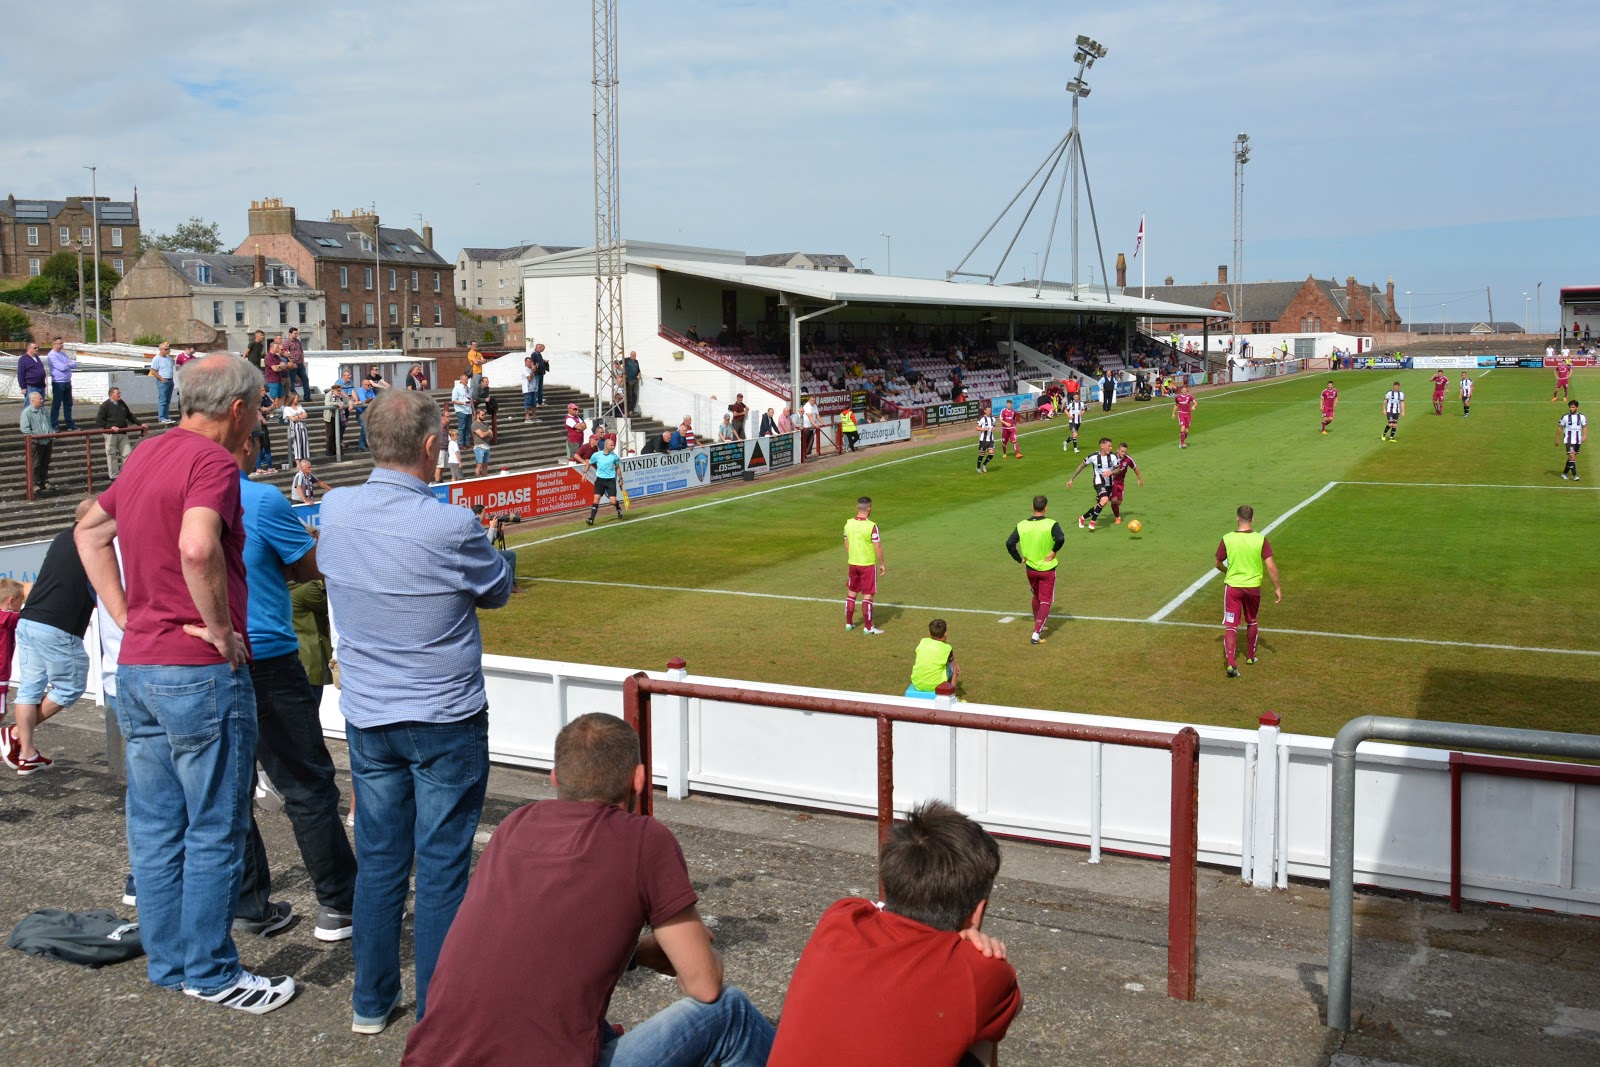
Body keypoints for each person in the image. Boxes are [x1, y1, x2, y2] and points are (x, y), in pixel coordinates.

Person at [77, 353, 298, 1014]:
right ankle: (210, 971)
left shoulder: (147, 452)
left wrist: (126, 615)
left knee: (154, 825)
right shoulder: (213, 462)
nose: (257, 421)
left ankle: (171, 962)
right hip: (197, 671)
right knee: (214, 827)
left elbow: (89, 530)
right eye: (258, 409)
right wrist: (222, 630)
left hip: (140, 668)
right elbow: (198, 547)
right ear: (238, 409)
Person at [404, 713, 775, 1067]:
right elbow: (704, 985)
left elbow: (535, 940)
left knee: (572, 1018)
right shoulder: (645, 840)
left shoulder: (514, 825)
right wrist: (704, 954)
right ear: (639, 779)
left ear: (555, 778)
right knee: (731, 1012)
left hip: (428, 1058)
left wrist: (634, 954)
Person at [317, 387, 514, 1033]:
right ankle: (438, 1014)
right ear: (431, 446)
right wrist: (492, 545)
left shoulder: (336, 508)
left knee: (379, 862)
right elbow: (498, 588)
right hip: (443, 719)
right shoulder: (449, 523)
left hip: (370, 716)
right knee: (441, 868)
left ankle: (371, 1002)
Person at [768, 800, 1020, 1067]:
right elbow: (1017, 1001)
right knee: (985, 1031)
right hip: (973, 957)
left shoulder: (841, 916)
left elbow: (878, 909)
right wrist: (982, 954)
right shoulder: (980, 970)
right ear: (977, 913)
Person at [233, 433, 358, 943]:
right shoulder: (260, 498)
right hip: (264, 656)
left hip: (202, 658)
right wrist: (297, 547)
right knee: (306, 786)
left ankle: (250, 905)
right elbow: (312, 566)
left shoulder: (173, 492)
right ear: (245, 442)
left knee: (231, 790)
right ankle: (341, 904)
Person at [1, 501, 96, 775]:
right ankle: (15, 733)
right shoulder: (92, 540)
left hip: (29, 620)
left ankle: (27, 754)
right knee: (71, 686)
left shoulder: (62, 538)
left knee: (30, 688)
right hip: (57, 625)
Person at [1216, 504, 1283, 678]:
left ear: (1237, 518)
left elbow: (1218, 563)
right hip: (1253, 588)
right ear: (1252, 519)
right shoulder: (1260, 539)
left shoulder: (1227, 538)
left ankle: (1231, 662)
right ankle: (1251, 657)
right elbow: (1270, 566)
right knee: (1251, 620)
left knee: (1231, 625)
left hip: (1233, 587)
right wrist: (1277, 588)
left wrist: (1227, 572)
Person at [1006, 494, 1063, 646]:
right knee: (1045, 600)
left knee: (1036, 596)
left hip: (1030, 569)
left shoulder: (1022, 525)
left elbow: (1009, 543)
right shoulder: (1051, 524)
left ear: (1032, 507)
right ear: (1046, 508)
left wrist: (1018, 558)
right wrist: (1053, 551)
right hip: (1047, 569)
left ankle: (1040, 624)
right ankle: (1036, 634)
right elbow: (1061, 538)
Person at [843, 496, 885, 635]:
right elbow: (878, 547)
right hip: (867, 565)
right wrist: (882, 564)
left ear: (857, 507)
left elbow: (846, 543)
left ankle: (849, 624)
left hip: (853, 563)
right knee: (868, 595)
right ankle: (868, 627)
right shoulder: (872, 526)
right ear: (869, 509)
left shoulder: (848, 524)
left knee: (851, 593)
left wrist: (852, 556)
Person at [1065, 437, 1118, 532]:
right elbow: (1081, 466)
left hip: (1109, 483)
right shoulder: (1093, 456)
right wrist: (1071, 479)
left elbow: (1119, 469)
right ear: (1102, 446)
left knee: (1100, 504)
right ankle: (1092, 522)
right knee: (1104, 500)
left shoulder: (1113, 457)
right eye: (1109, 446)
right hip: (1098, 481)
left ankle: (1082, 518)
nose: (1111, 448)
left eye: (1111, 446)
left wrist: (1111, 472)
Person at [0, 577, 29, 741]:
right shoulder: (6, 618)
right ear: (11, 601)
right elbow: (28, 615)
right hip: (0, 674)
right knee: (1, 711)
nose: (21, 606)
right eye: (20, 602)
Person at [96, 386, 140, 480]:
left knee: (127, 453)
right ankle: (114, 475)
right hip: (111, 434)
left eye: (119, 393)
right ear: (111, 394)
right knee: (112, 455)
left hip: (122, 432)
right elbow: (99, 420)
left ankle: (125, 473)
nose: (119, 395)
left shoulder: (122, 403)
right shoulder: (105, 405)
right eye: (117, 393)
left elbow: (129, 415)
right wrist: (110, 427)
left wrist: (140, 423)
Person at [910, 618, 961, 693]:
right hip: (937, 686)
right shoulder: (947, 648)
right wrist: (956, 666)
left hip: (917, 683)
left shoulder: (923, 641)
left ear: (929, 633)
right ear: (945, 634)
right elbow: (953, 664)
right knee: (954, 667)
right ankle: (952, 694)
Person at [584, 436, 626, 527]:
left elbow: (617, 468)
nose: (613, 447)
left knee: (613, 501)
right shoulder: (597, 455)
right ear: (606, 446)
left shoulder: (614, 456)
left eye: (613, 445)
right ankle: (591, 519)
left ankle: (618, 509)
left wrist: (621, 479)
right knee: (596, 499)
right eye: (611, 445)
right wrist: (585, 473)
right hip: (600, 480)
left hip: (610, 480)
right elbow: (589, 463)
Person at [20, 390, 55, 494]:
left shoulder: (43, 411)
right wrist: (35, 438)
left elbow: (48, 424)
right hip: (36, 442)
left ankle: (44, 481)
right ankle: (35, 483)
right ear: (32, 400)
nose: (42, 400)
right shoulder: (27, 412)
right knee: (35, 464)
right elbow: (25, 429)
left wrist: (51, 434)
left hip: (47, 440)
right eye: (40, 399)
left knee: (45, 462)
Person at [1108, 442, 1144, 525]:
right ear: (1118, 450)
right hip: (1111, 481)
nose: (1123, 453)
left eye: (1125, 451)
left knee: (1119, 502)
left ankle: (1110, 500)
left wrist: (1139, 479)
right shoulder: (1111, 457)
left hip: (1121, 483)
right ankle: (1118, 517)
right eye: (1122, 451)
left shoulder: (1128, 459)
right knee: (1114, 500)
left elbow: (1135, 468)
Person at [47, 337, 78, 430]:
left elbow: (75, 364)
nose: (62, 345)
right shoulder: (52, 355)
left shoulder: (63, 354)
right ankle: (54, 425)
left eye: (62, 343)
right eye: (59, 343)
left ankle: (70, 424)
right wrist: (68, 364)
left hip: (67, 381)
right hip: (58, 382)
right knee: (56, 404)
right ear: (54, 344)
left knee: (68, 404)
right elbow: (62, 367)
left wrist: (68, 364)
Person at [280, 391, 311, 463]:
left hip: (302, 427)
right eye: (296, 398)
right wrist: (300, 416)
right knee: (296, 444)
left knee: (304, 443)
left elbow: (305, 415)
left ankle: (304, 461)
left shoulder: (299, 406)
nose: (298, 399)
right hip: (294, 428)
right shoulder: (287, 408)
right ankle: (298, 462)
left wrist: (297, 416)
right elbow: (293, 419)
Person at [1559, 400, 1587, 480]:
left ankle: (1564, 474)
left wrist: (1585, 435)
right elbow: (1560, 427)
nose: (1571, 409)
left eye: (1573, 407)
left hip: (1577, 440)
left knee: (1571, 458)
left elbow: (1584, 426)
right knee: (1572, 457)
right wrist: (1557, 439)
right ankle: (1575, 476)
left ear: (1577, 407)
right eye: (1570, 407)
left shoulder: (1582, 417)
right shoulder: (1565, 417)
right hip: (1568, 440)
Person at [150, 342, 177, 423]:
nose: (168, 350)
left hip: (170, 380)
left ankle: (166, 416)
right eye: (166, 349)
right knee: (163, 400)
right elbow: (153, 370)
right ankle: (161, 417)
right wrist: (161, 379)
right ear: (161, 349)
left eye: (169, 349)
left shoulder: (169, 359)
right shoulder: (156, 359)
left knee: (167, 400)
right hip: (163, 381)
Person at [324, 382, 352, 455]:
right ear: (333, 390)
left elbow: (348, 400)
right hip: (330, 418)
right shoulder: (329, 395)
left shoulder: (341, 395)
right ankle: (329, 451)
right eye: (338, 391)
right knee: (330, 435)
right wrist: (336, 404)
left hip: (338, 417)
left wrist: (350, 404)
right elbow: (327, 403)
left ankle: (337, 450)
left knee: (337, 435)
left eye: (340, 390)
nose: (339, 392)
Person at [283, 327, 310, 401]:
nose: (296, 335)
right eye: (295, 333)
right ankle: (293, 398)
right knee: (292, 382)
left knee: (305, 379)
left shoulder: (298, 341)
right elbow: (284, 353)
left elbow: (301, 352)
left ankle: (307, 397)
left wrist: (303, 361)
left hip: (300, 363)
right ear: (290, 333)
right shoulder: (287, 342)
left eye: (297, 333)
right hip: (292, 365)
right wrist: (290, 362)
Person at [351, 376, 377, 451]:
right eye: (368, 385)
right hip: (361, 413)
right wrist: (370, 399)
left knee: (365, 429)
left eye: (370, 385)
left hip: (368, 412)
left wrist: (370, 400)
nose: (370, 386)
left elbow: (375, 399)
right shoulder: (360, 391)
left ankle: (362, 445)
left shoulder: (371, 390)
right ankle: (363, 446)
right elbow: (364, 401)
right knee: (364, 429)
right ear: (363, 385)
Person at [434, 413, 462, 481]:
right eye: (447, 416)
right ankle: (437, 481)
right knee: (439, 466)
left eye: (450, 416)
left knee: (442, 466)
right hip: (440, 448)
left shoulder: (446, 426)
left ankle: (440, 479)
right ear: (443, 417)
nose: (449, 418)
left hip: (445, 448)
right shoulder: (439, 426)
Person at [450, 372, 473, 445]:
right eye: (465, 379)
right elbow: (454, 399)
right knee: (462, 427)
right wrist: (462, 403)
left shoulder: (468, 388)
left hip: (469, 410)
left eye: (467, 379)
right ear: (461, 380)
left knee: (468, 427)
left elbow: (471, 399)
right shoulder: (457, 388)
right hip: (461, 410)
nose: (467, 381)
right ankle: (460, 443)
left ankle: (467, 443)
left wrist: (473, 409)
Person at [471, 405, 493, 476]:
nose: (484, 416)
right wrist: (488, 432)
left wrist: (487, 433)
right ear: (478, 415)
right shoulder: (474, 424)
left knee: (485, 466)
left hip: (487, 446)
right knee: (479, 466)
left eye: (485, 414)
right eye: (482, 415)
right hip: (479, 447)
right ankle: (477, 480)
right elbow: (482, 435)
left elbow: (491, 435)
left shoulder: (486, 424)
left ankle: (485, 479)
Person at [1172, 383, 1196, 448]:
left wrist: (1194, 406)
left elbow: (1195, 403)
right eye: (1183, 390)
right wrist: (1173, 413)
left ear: (1187, 390)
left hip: (1188, 414)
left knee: (1186, 431)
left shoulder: (1190, 396)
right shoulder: (1178, 397)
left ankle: (1182, 441)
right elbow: (1176, 405)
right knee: (1182, 429)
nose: (1184, 391)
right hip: (1181, 413)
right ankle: (1182, 443)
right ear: (1181, 390)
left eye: (1185, 390)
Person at [529, 342, 550, 408]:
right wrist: (533, 370)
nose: (541, 349)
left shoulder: (539, 354)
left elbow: (539, 361)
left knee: (540, 388)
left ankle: (540, 402)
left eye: (541, 347)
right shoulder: (534, 354)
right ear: (536, 347)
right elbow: (532, 362)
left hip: (541, 373)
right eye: (539, 347)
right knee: (536, 388)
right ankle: (535, 402)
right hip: (537, 373)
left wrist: (544, 361)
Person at [520, 355, 540, 422]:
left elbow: (536, 374)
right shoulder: (524, 369)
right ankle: (527, 417)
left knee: (534, 403)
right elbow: (529, 378)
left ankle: (534, 416)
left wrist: (534, 369)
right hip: (527, 389)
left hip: (533, 389)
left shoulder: (530, 369)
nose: (530, 363)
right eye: (529, 362)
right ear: (525, 362)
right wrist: (532, 370)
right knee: (527, 403)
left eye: (531, 362)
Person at [975, 407, 995, 474]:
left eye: (990, 410)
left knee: (991, 454)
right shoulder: (982, 418)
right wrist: (984, 429)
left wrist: (993, 429)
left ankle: (984, 464)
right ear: (985, 411)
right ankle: (978, 467)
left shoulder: (993, 419)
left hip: (991, 439)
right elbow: (976, 428)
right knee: (982, 454)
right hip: (983, 440)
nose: (989, 412)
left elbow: (993, 426)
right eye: (988, 410)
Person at [625, 349, 641, 415]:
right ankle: (629, 409)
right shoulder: (627, 360)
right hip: (629, 380)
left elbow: (638, 370)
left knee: (635, 395)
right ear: (631, 355)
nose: (634, 356)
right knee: (629, 395)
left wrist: (639, 375)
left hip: (635, 380)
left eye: (635, 355)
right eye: (633, 355)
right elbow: (617, 363)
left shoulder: (636, 361)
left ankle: (632, 409)